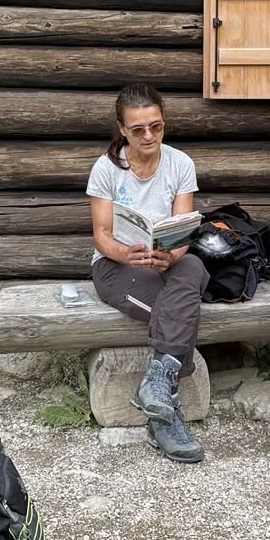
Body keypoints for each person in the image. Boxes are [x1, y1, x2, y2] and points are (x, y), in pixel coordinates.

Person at [87, 84, 207, 463]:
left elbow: (184, 230)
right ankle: (165, 415)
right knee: (179, 309)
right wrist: (128, 253)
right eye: (138, 129)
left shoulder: (180, 163)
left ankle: (155, 385)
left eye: (156, 126)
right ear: (122, 129)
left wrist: (170, 256)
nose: (149, 136)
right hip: (117, 266)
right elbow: (102, 236)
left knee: (194, 266)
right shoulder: (106, 168)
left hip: (165, 261)